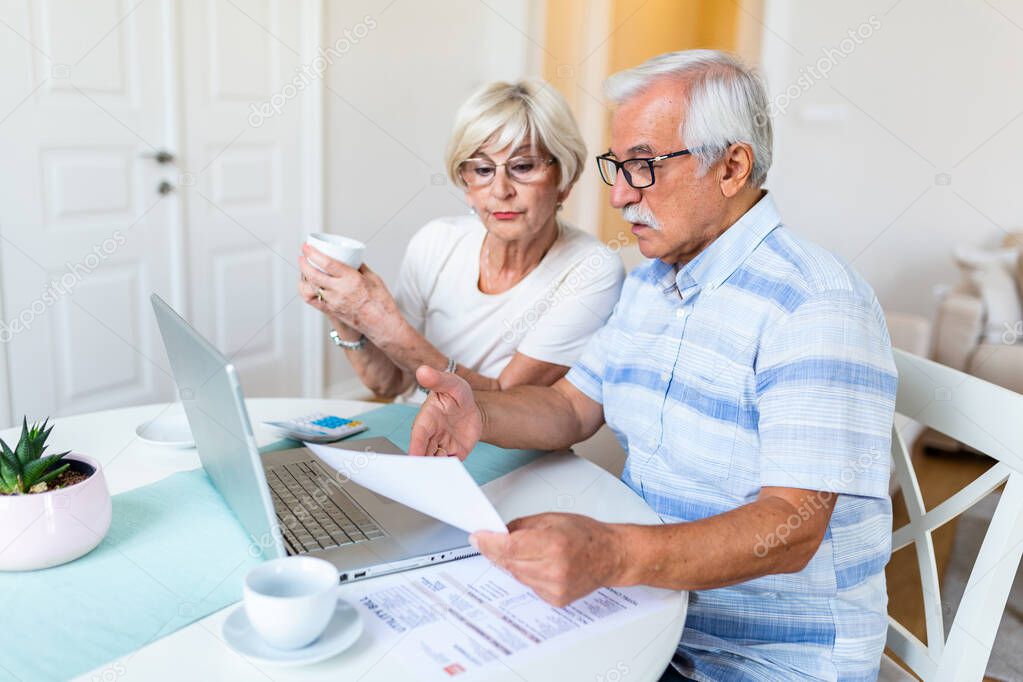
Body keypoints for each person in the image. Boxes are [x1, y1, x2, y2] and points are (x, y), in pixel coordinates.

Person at [408, 50, 896, 681]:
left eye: (642, 167)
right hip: (646, 619)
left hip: (751, 661)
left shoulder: (814, 304)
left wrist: (612, 554)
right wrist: (480, 410)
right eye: (617, 167)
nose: (617, 196)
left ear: (732, 166)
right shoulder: (650, 286)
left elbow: (793, 526)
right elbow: (569, 407)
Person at [298, 80, 625, 402]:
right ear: (467, 187)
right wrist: (344, 314)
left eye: (523, 166)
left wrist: (380, 319)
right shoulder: (436, 241)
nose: (500, 190)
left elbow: (504, 404)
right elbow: (391, 384)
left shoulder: (591, 269)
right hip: (413, 434)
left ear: (564, 180)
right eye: (483, 170)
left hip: (503, 449)